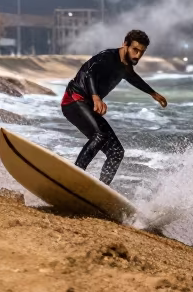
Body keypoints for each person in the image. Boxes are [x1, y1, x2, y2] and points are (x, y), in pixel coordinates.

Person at [61, 29, 168, 185]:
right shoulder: (107, 57)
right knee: (99, 135)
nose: (138, 55)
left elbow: (132, 77)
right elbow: (90, 73)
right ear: (125, 44)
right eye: (135, 50)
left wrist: (153, 93)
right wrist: (96, 97)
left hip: (88, 105)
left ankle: (101, 189)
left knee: (117, 152)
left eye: (141, 52)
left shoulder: (125, 66)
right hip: (74, 100)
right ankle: (75, 175)